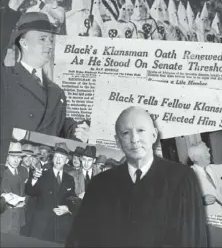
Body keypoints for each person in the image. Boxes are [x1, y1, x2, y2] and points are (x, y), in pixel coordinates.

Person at [66, 106, 207, 247]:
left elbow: (193, 240)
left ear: (154, 135)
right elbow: (79, 239)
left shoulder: (181, 178)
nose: (134, 139)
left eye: (141, 130)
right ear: (118, 141)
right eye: (126, 133)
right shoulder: (100, 184)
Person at [0, 0, 90, 163]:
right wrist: (12, 9)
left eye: (51, 39)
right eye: (42, 39)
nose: (49, 44)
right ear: (23, 43)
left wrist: (76, 131)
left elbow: (57, 133)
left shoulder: (57, 92)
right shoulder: (5, 78)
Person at [25, 142, 80, 243]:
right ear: (52, 158)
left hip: (59, 226)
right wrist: (34, 178)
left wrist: (67, 208)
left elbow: (71, 197)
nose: (58, 160)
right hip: (41, 225)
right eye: (56, 157)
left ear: (66, 160)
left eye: (62, 157)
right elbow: (30, 191)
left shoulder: (70, 179)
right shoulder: (42, 174)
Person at [188, 141, 222, 216]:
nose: (209, 155)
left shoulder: (216, 168)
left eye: (208, 151)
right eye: (205, 153)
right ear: (196, 158)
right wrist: (201, 200)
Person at [0, 142, 28, 234]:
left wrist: (24, 201)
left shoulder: (23, 172)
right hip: (4, 217)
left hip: (18, 217)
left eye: (19, 157)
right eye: (13, 156)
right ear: (7, 157)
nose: (16, 160)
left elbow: (26, 192)